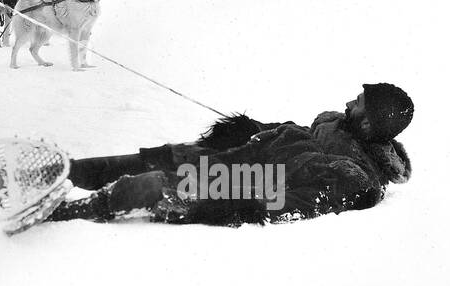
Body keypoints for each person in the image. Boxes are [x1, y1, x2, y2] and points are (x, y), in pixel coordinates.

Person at [47, 83, 414, 225]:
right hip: (243, 157)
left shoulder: (357, 179)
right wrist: (252, 129)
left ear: (369, 124)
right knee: (165, 156)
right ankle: (60, 172)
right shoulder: (333, 127)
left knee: (159, 185)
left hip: (252, 182)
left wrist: (234, 203)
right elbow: (297, 138)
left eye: (359, 103)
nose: (349, 100)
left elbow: (296, 201)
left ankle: (57, 211)